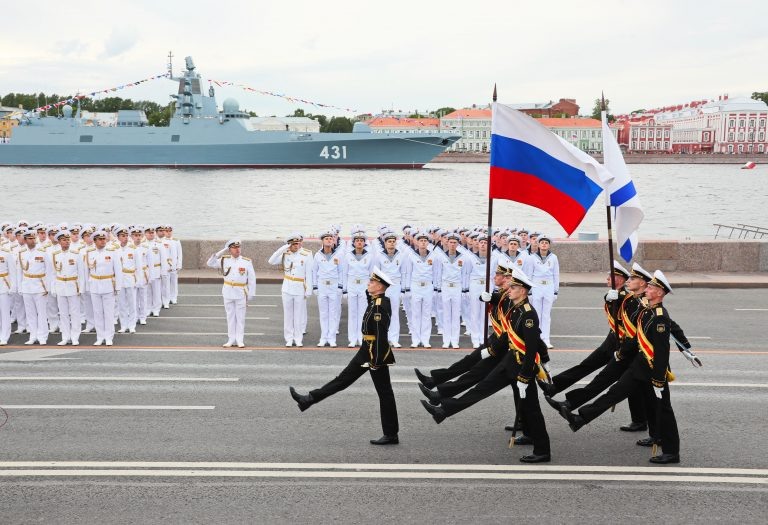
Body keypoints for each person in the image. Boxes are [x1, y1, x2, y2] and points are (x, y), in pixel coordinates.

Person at [420, 268, 552, 463]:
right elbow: (508, 335)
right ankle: (443, 411)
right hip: (509, 361)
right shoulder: (515, 310)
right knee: (480, 389)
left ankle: (543, 451)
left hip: (522, 367)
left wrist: (526, 376)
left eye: (514, 286)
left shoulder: (528, 314)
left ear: (523, 291)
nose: (511, 289)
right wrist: (490, 350)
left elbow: (532, 348)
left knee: (531, 408)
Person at [558, 270, 683, 464]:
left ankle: (672, 452)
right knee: (614, 393)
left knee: (663, 409)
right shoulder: (647, 310)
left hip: (653, 370)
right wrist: (622, 352)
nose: (647, 289)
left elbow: (662, 350)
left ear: (660, 293)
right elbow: (636, 338)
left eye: (651, 287)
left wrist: (659, 379)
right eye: (648, 286)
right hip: (639, 365)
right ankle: (580, 419)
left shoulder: (659, 316)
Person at [289, 267, 399, 445]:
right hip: (366, 349)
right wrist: (370, 290)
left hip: (374, 354)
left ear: (380, 287)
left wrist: (377, 361)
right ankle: (308, 399)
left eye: (372, 282)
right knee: (342, 380)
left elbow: (381, 335)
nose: (368, 284)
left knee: (385, 393)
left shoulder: (380, 305)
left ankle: (391, 434)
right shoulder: (375, 300)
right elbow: (369, 298)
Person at [207, 239, 256, 348]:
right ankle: (231, 339)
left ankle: (239, 339)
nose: (237, 249)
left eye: (238, 247)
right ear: (229, 249)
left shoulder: (246, 261)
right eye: (234, 247)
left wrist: (251, 294)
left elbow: (252, 279)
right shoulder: (224, 259)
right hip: (228, 291)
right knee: (230, 317)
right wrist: (222, 250)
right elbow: (210, 263)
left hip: (241, 292)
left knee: (240, 317)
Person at [268, 233, 313, 347]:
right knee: (288, 315)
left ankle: (298, 339)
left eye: (297, 243)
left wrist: (309, 290)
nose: (296, 246)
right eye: (293, 244)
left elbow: (309, 274)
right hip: (287, 288)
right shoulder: (285, 254)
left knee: (298, 315)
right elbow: (271, 261)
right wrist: (282, 248)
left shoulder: (307, 254)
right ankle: (289, 338)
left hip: (299, 288)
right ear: (289, 245)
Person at [85, 230, 122, 346]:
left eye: (104, 239)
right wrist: (87, 286)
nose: (103, 241)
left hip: (108, 284)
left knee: (108, 313)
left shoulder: (112, 252)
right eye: (100, 239)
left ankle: (109, 336)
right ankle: (100, 337)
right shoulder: (89, 253)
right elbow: (87, 271)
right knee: (97, 313)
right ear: (95, 241)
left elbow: (118, 271)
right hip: (95, 285)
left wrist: (118, 286)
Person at [434, 232, 470, 349]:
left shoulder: (463, 257)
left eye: (455, 243)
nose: (453, 245)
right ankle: (446, 340)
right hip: (445, 286)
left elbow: (465, 274)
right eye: (451, 242)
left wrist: (465, 289)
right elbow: (438, 273)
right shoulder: (441, 256)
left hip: (457, 287)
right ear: (447, 243)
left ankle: (454, 340)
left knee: (455, 315)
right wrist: (438, 288)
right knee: (446, 314)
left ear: (458, 244)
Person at [375, 231, 410, 348]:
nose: (391, 244)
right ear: (385, 243)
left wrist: (404, 289)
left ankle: (394, 339)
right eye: (389, 242)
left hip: (395, 286)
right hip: (383, 287)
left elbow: (404, 272)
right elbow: (376, 273)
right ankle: (382, 339)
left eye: (393, 242)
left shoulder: (401, 255)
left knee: (394, 313)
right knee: (381, 313)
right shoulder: (379, 255)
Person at [18, 229, 52, 345]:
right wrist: (20, 287)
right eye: (30, 239)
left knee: (42, 313)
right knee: (30, 313)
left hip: (40, 286)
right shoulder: (21, 253)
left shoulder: (43, 252)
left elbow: (49, 271)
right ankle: (33, 336)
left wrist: (48, 287)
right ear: (25, 240)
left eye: (34, 238)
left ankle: (43, 336)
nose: (33, 240)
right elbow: (19, 272)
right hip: (27, 285)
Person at [51, 230, 85, 346]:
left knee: (75, 313)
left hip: (73, 286)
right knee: (63, 313)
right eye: (64, 240)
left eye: (67, 240)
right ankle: (65, 337)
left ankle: (75, 337)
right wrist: (53, 288)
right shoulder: (55, 255)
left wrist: (81, 288)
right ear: (59, 242)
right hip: (60, 286)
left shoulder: (76, 254)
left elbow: (82, 273)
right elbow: (53, 273)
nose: (67, 242)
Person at [341, 231, 374, 347]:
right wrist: (344, 290)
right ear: (353, 243)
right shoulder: (348, 255)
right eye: (357, 241)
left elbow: (372, 274)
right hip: (352, 285)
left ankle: (361, 337)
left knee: (363, 313)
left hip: (364, 286)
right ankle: (352, 338)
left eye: (361, 241)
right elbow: (344, 273)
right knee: (353, 313)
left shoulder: (370, 256)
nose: (359, 242)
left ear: (364, 243)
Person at [406, 231, 438, 348]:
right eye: (421, 241)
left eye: (425, 241)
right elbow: (408, 272)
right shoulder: (411, 255)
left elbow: (436, 273)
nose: (423, 243)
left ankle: (425, 339)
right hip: (416, 286)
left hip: (428, 286)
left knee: (426, 313)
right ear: (417, 242)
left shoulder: (433, 256)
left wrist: (436, 288)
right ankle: (415, 339)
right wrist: (407, 289)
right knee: (415, 313)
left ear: (428, 243)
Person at [312, 231, 343, 347]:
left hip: (334, 286)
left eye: (331, 239)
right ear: (323, 241)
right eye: (327, 239)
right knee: (324, 313)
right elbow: (314, 271)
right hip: (322, 286)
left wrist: (340, 286)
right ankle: (323, 337)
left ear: (333, 241)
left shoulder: (338, 255)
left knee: (333, 313)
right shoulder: (318, 255)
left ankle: (332, 338)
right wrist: (315, 286)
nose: (329, 240)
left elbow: (341, 271)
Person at [529, 234, 559, 349]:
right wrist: (530, 291)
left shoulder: (553, 257)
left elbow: (556, 275)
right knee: (536, 313)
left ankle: (546, 339)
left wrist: (555, 291)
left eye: (546, 243)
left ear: (549, 245)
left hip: (549, 287)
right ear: (538, 245)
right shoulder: (532, 257)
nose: (544, 244)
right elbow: (529, 275)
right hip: (536, 286)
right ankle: (536, 338)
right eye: (542, 242)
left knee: (546, 314)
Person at [0, 238, 17, 345]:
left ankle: (4, 336)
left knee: (5, 313)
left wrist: (13, 286)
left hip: (3, 284)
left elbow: (13, 271)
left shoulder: (6, 254)